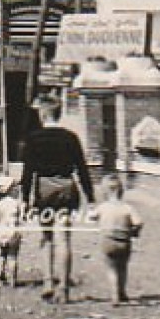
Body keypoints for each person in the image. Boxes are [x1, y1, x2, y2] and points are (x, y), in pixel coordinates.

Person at [19, 95, 95, 304]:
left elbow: (28, 173)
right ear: (58, 113)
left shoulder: (33, 139)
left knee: (46, 237)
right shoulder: (71, 138)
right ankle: (64, 286)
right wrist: (91, 197)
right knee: (64, 238)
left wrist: (24, 198)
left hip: (44, 189)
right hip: (66, 189)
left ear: (43, 114)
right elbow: (82, 169)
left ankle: (47, 282)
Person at [87, 175, 143, 305]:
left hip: (108, 241)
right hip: (124, 241)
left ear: (104, 192)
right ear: (121, 191)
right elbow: (139, 222)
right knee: (123, 267)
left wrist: (91, 211)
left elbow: (92, 217)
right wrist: (135, 231)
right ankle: (122, 292)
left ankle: (114, 295)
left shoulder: (103, 207)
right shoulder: (127, 208)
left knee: (111, 268)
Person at [0, 174, 24, 287]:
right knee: (13, 256)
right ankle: (13, 280)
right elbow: (20, 217)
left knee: (3, 253)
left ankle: (1, 271)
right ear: (9, 190)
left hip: (1, 232)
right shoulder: (15, 204)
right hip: (13, 232)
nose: (17, 190)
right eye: (14, 188)